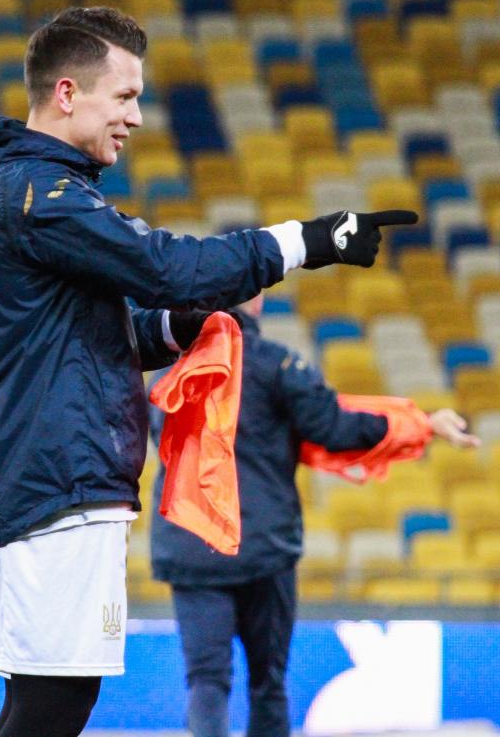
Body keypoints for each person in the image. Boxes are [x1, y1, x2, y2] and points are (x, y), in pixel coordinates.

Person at [0, 6, 416, 737]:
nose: (135, 117)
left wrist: (179, 330)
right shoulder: (40, 195)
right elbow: (167, 267)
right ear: (67, 93)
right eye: (125, 96)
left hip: (49, 473)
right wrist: (308, 240)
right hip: (55, 478)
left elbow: (93, 335)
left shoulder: (35, 192)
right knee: (55, 702)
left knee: (46, 698)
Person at [149, 290, 479, 737]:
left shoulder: (172, 374)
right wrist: (419, 424)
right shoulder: (278, 365)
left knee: (207, 680)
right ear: (257, 301)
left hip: (192, 545)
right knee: (268, 683)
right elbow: (336, 427)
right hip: (264, 547)